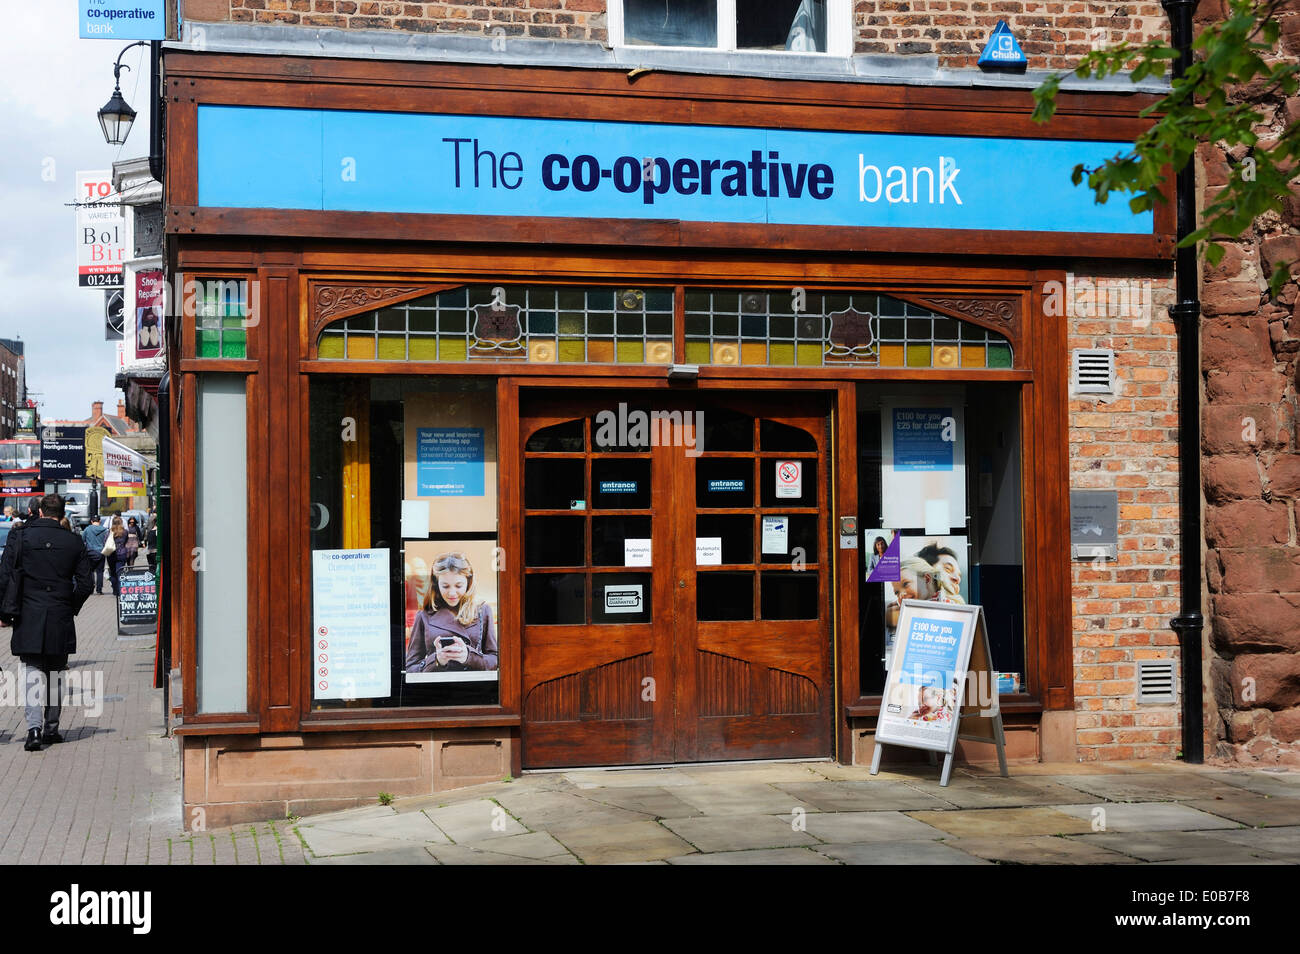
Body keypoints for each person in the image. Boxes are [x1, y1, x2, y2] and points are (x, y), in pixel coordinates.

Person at [0, 494, 93, 751]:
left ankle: (33, 730)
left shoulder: (20, 537)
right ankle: (52, 728)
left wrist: (5, 613)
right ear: (62, 514)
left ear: (40, 512)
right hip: (59, 614)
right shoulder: (74, 542)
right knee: (56, 673)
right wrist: (70, 605)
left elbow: (5, 575)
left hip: (28, 613)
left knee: (30, 670)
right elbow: (87, 583)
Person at [404, 551, 498, 673]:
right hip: (436, 688)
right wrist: (437, 659)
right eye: (445, 586)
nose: (452, 593)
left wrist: (468, 657)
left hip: (474, 688)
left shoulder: (482, 610)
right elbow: (411, 668)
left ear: (468, 583)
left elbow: (495, 660)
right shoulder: (424, 615)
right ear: (436, 584)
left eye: (458, 586)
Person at [82, 515, 110, 595]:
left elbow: (82, 539)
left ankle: (91, 588)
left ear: (91, 521)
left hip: (90, 552)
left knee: (90, 571)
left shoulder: (87, 529)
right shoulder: (105, 530)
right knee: (100, 571)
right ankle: (99, 589)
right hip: (101, 552)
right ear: (99, 521)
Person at [108, 516, 128, 597]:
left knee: (113, 573)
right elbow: (126, 541)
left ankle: (115, 590)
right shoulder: (125, 532)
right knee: (120, 572)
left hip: (112, 554)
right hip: (122, 553)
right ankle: (120, 590)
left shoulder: (110, 532)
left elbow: (105, 541)